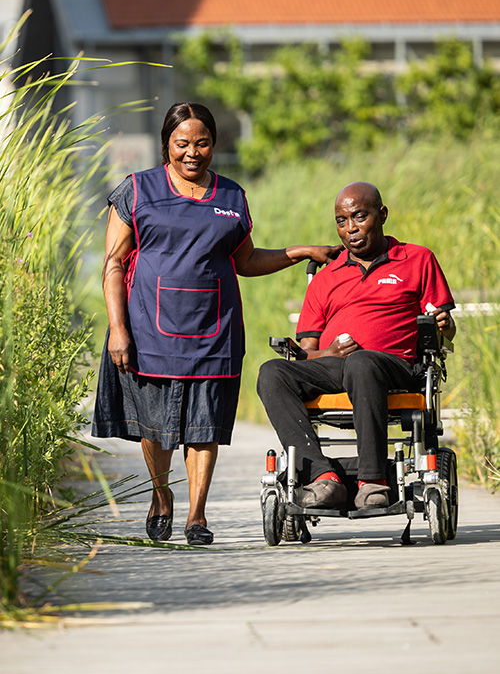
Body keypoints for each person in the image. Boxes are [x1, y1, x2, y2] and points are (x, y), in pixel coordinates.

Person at [92, 102, 340, 545]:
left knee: (205, 426)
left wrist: (298, 252)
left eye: (201, 143)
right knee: (156, 426)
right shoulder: (137, 190)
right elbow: (113, 264)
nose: (192, 152)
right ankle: (162, 494)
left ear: (214, 144)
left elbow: (245, 260)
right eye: (182, 143)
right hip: (150, 327)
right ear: (166, 144)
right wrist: (118, 328)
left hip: (215, 330)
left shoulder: (231, 197)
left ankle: (197, 516)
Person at [257, 181, 456, 510]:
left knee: (363, 362)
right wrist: (329, 353)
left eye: (359, 217)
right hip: (334, 365)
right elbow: (307, 352)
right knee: (271, 372)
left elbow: (445, 329)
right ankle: (323, 478)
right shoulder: (326, 277)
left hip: (395, 367)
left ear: (382, 215)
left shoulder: (417, 259)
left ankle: (373, 480)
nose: (350, 229)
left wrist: (446, 326)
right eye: (341, 221)